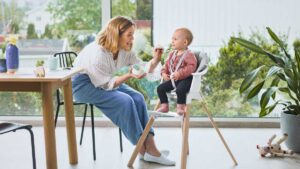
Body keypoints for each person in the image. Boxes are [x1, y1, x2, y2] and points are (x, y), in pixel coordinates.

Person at [72, 16, 175, 166]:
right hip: (82, 85)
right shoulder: (98, 54)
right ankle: (146, 150)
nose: (132, 39)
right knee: (125, 102)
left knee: (138, 98)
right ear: (116, 34)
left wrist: (155, 60)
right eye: (129, 35)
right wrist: (129, 75)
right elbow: (107, 85)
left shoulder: (124, 50)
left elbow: (142, 67)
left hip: (103, 80)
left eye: (133, 34)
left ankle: (149, 149)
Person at [156, 28, 197, 115]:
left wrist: (179, 73)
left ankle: (180, 107)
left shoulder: (189, 54)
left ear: (185, 42)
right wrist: (164, 73)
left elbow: (191, 67)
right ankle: (164, 106)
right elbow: (166, 65)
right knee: (160, 88)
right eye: (172, 39)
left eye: (175, 39)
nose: (172, 41)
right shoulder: (172, 54)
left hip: (186, 79)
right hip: (174, 80)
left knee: (180, 90)